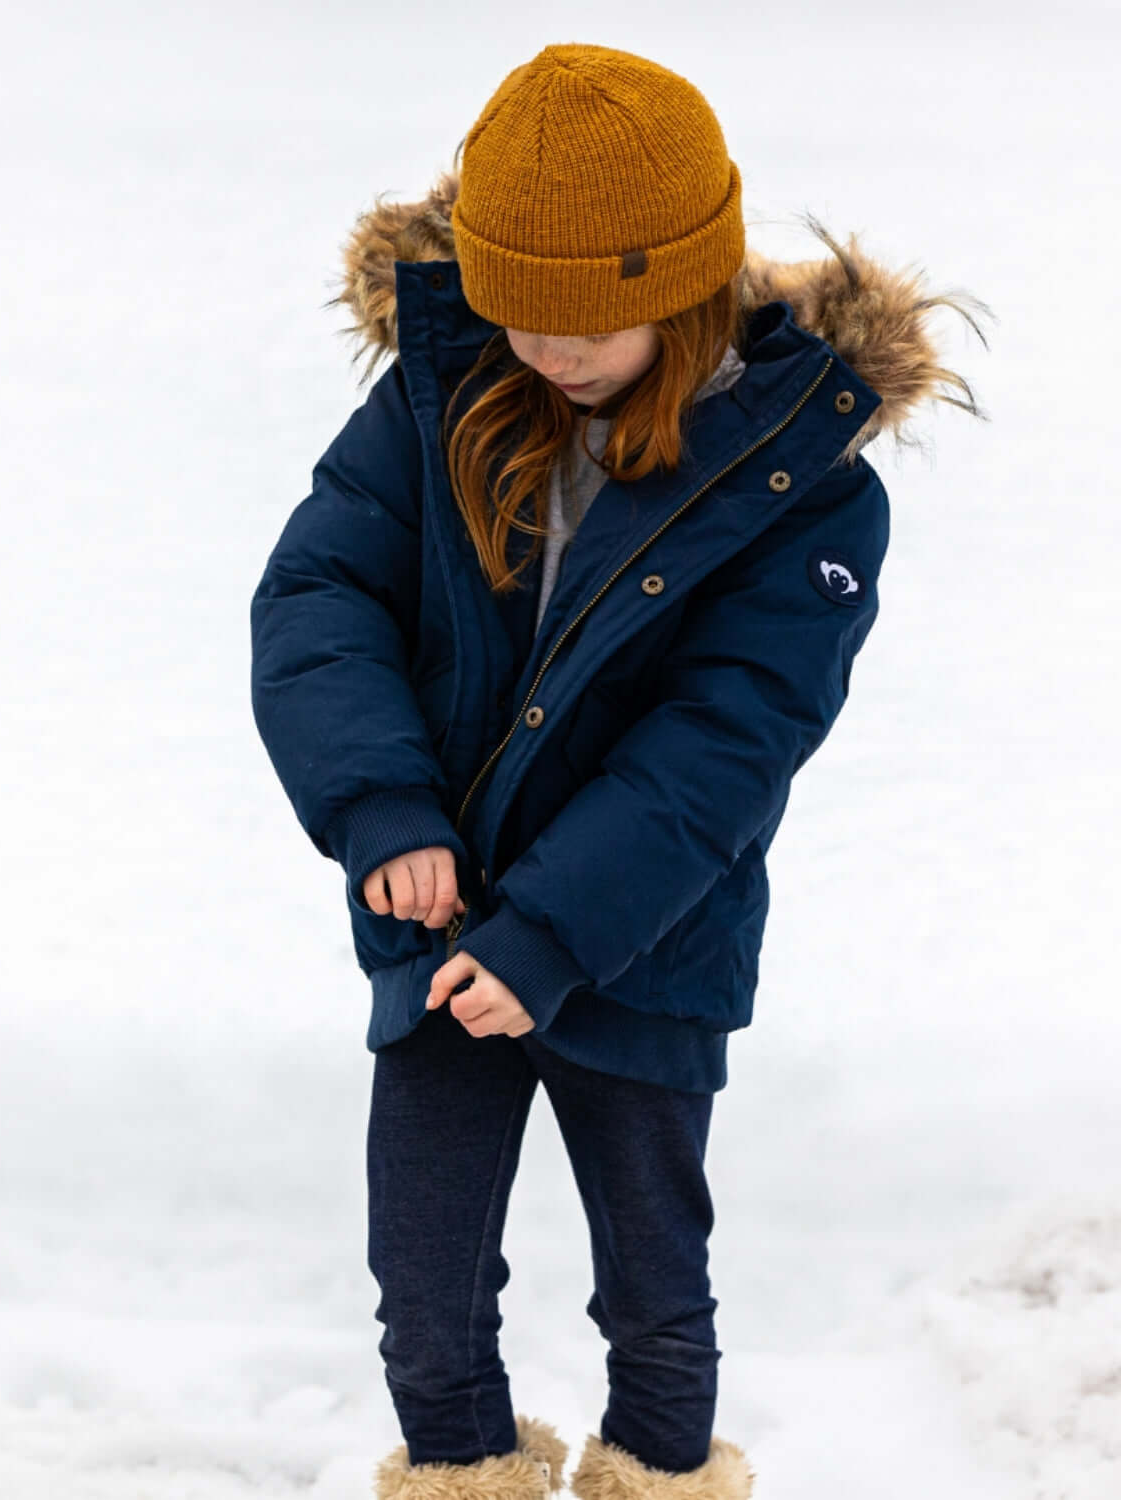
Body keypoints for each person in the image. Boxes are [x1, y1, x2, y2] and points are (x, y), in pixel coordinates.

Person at [249, 41, 989, 1500]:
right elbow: (318, 603)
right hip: (442, 918)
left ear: (691, 284)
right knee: (425, 1272)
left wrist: (557, 933)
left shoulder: (804, 483)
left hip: (642, 940)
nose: (550, 350)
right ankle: (461, 1471)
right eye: (523, 311)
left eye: (594, 319)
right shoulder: (439, 402)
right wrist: (383, 807)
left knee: (653, 1276)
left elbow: (723, 749)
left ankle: (658, 1476)